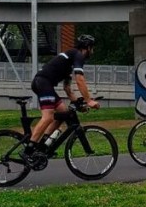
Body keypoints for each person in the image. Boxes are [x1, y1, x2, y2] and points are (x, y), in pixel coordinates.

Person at [26, 34, 100, 165]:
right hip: (43, 82)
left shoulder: (70, 61)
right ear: (87, 47)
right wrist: (89, 100)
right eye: (92, 48)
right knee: (48, 117)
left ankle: (43, 146)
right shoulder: (78, 55)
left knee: (63, 113)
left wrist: (78, 103)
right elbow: (80, 79)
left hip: (44, 83)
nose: (92, 52)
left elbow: (67, 89)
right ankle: (29, 149)